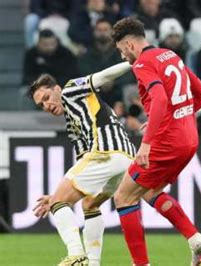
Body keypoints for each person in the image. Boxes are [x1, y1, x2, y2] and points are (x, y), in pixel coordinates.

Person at [111, 17, 201, 266]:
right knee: (150, 192)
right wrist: (174, 119)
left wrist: (146, 143)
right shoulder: (170, 55)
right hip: (189, 139)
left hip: (166, 142)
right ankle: (194, 238)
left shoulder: (143, 63)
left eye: (121, 50)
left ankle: (141, 264)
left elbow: (159, 99)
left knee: (123, 198)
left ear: (129, 44)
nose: (123, 56)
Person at [28, 62, 135, 266]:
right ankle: (93, 263)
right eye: (41, 105)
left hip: (107, 151)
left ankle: (76, 255)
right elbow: (83, 159)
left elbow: (103, 76)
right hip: (125, 158)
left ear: (57, 88)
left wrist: (134, 61)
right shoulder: (72, 120)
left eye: (47, 98)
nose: (47, 106)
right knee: (90, 204)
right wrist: (57, 195)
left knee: (59, 203)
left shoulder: (71, 89)